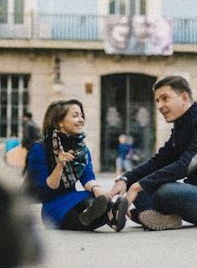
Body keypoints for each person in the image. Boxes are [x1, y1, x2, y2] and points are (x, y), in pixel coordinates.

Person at [107, 75, 197, 231]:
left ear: (184, 98)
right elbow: (158, 162)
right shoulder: (181, 127)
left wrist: (136, 187)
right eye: (157, 101)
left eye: (165, 98)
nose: (160, 106)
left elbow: (184, 166)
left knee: (165, 191)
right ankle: (151, 215)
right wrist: (126, 180)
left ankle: (144, 212)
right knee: (143, 182)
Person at [26, 99, 128, 232]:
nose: (81, 119)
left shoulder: (81, 149)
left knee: (91, 200)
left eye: (81, 115)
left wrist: (100, 193)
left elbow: (87, 177)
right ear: (59, 122)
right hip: (52, 206)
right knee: (84, 212)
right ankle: (110, 215)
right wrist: (60, 165)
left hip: (76, 198)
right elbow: (44, 188)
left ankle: (108, 213)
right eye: (75, 116)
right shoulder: (40, 149)